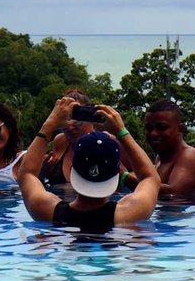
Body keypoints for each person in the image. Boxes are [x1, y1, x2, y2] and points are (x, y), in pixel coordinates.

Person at [18, 97, 161, 232]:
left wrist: (49, 125)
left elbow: (26, 174)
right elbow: (151, 178)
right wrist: (122, 132)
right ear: (117, 171)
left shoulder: (47, 211)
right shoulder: (127, 213)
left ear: (72, 168)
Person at [40, 89, 138, 190]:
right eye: (65, 121)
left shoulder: (108, 143)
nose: (70, 127)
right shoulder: (61, 141)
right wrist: (42, 174)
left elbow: (141, 179)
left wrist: (125, 177)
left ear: (90, 117)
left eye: (77, 121)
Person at [144, 99, 195, 200]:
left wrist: (125, 178)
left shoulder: (189, 156)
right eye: (149, 128)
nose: (153, 133)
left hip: (188, 215)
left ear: (180, 129)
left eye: (162, 127)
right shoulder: (161, 158)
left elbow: (173, 193)